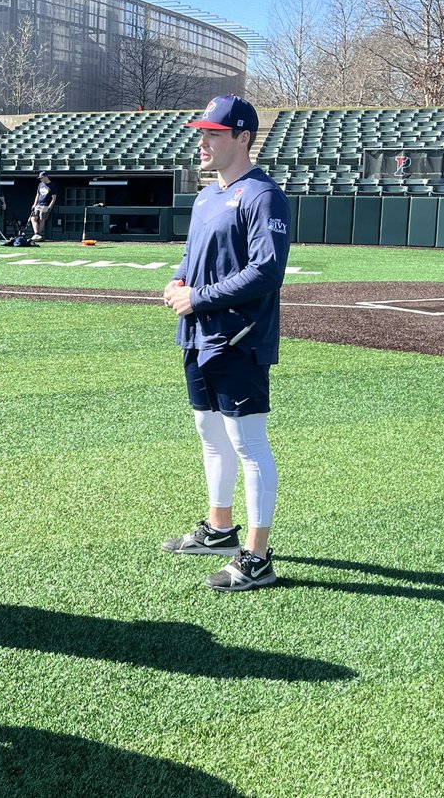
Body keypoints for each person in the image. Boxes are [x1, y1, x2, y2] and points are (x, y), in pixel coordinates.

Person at [161, 94, 291, 592]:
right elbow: (193, 257)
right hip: (198, 335)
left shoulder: (262, 195)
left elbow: (266, 271)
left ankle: (257, 557)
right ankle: (220, 530)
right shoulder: (206, 196)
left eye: (213, 134)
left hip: (238, 338)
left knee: (249, 444)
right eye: (202, 133)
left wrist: (198, 297)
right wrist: (179, 281)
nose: (203, 142)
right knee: (209, 433)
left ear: (242, 138)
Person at [28, 170, 57, 241]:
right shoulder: (40, 184)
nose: (41, 179)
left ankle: (39, 235)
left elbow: (54, 198)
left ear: (46, 177)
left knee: (42, 219)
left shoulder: (52, 185)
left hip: (45, 205)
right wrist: (34, 204)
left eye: (42, 178)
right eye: (40, 178)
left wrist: (50, 207)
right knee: (33, 218)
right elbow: (37, 195)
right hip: (38, 204)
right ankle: (36, 234)